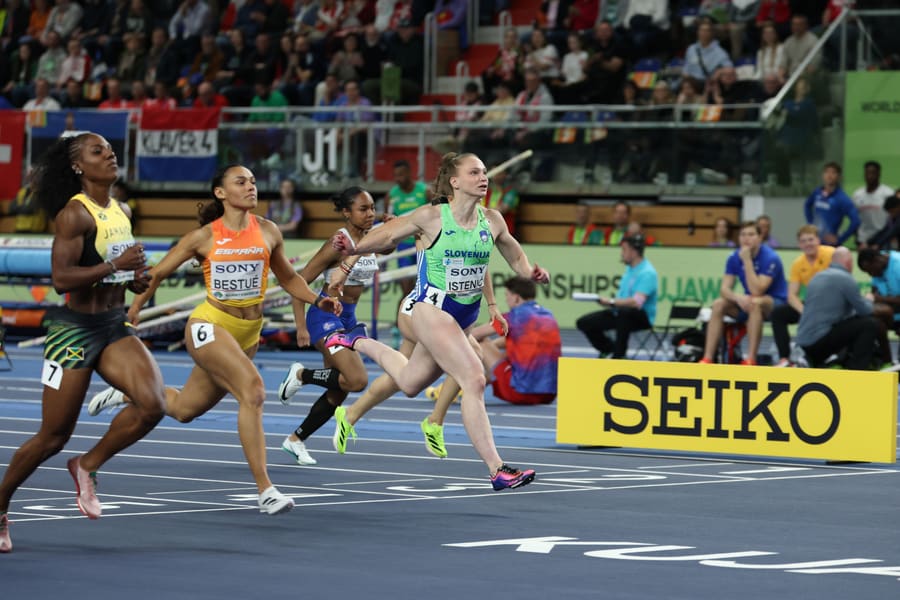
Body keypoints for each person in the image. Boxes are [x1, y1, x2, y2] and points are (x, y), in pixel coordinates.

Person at [87, 164, 342, 515]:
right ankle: (265, 490)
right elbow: (157, 273)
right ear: (221, 193)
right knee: (252, 390)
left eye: (253, 181)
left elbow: (288, 278)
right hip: (208, 325)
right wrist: (133, 313)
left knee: (183, 409)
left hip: (248, 333)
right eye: (241, 182)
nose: (251, 187)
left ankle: (133, 391)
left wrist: (317, 299)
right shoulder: (204, 237)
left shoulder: (268, 231)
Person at [325, 152, 547, 491]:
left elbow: (513, 252)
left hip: (464, 314)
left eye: (485, 171)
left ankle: (353, 339)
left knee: (411, 383)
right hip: (432, 309)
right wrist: (352, 249)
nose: (483, 177)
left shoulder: (493, 220)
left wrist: (528, 271)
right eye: (474, 172)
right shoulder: (431, 217)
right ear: (455, 182)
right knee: (473, 377)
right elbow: (387, 235)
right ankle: (497, 469)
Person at [0, 132, 164, 553]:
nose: (109, 155)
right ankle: (0, 506)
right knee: (53, 436)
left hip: (112, 325)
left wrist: (134, 278)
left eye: (110, 150)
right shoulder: (74, 214)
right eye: (98, 152)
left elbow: (119, 273)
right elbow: (60, 280)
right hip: (73, 330)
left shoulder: (123, 210)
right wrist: (116, 264)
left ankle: (87, 464)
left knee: (153, 404)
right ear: (78, 166)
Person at [277, 186, 378, 465]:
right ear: (346, 213)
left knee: (340, 388)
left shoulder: (372, 237)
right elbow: (299, 282)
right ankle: (301, 375)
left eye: (372, 208)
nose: (370, 214)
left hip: (347, 317)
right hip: (325, 316)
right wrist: (301, 327)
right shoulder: (337, 243)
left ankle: (295, 440)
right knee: (357, 380)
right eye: (363, 209)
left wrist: (392, 222)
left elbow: (392, 241)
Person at [698, 221, 788, 365]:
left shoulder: (771, 258)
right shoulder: (734, 257)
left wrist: (747, 261)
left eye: (751, 234)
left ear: (759, 237)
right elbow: (724, 289)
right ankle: (707, 357)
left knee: (755, 302)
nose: (746, 238)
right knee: (718, 304)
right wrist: (738, 298)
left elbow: (758, 290)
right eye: (743, 235)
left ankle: (750, 358)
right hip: (749, 301)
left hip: (774, 303)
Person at [472, 276, 560, 405]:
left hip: (520, 393)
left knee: (479, 342)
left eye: (507, 295)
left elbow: (473, 335)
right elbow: (518, 342)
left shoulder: (512, 317)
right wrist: (494, 346)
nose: (506, 300)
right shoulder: (548, 316)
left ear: (516, 297)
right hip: (549, 395)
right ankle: (475, 383)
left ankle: (458, 386)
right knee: (510, 354)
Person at [795, 247, 879, 370]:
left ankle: (840, 361)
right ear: (849, 263)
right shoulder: (845, 279)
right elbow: (865, 310)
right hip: (819, 342)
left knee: (850, 326)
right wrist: (869, 299)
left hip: (804, 341)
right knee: (869, 324)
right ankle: (858, 369)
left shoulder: (817, 277)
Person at [576, 233, 658, 359]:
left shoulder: (648, 272)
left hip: (641, 317)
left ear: (633, 251)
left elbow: (636, 302)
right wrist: (611, 303)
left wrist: (611, 302)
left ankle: (619, 356)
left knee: (625, 313)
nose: (621, 253)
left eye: (624, 249)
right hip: (620, 312)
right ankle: (609, 348)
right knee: (584, 322)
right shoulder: (630, 269)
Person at [769, 225, 834, 367]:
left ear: (818, 240)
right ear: (799, 244)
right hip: (811, 305)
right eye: (803, 241)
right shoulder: (798, 264)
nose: (808, 244)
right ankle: (784, 359)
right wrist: (805, 312)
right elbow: (792, 295)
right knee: (778, 314)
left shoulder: (831, 254)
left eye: (811, 240)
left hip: (833, 303)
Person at [385, 159, 432, 337]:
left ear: (410, 173)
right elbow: (389, 222)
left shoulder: (424, 191)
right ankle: (400, 324)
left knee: (426, 288)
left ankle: (424, 322)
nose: (399, 178)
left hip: (424, 246)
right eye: (396, 175)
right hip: (404, 248)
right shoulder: (392, 195)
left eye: (402, 174)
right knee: (407, 289)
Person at [857, 247, 900, 365]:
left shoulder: (897, 265)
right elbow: (874, 291)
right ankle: (887, 362)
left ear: (877, 260)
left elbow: (879, 297)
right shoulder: (877, 268)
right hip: (893, 311)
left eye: (870, 271)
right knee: (874, 323)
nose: (871, 275)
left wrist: (880, 299)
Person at [803, 162, 859, 247]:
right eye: (827, 172)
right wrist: (811, 224)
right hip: (814, 242)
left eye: (833, 172)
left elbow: (856, 221)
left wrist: (840, 239)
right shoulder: (817, 192)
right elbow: (807, 205)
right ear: (823, 175)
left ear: (839, 176)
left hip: (829, 245)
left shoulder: (842, 199)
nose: (829, 175)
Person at [852, 161, 894, 248]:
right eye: (867, 173)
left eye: (873, 173)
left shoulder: (888, 193)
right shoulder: (857, 195)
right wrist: (857, 239)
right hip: (862, 240)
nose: (870, 176)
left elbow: (893, 220)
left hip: (882, 240)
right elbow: (854, 218)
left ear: (879, 174)